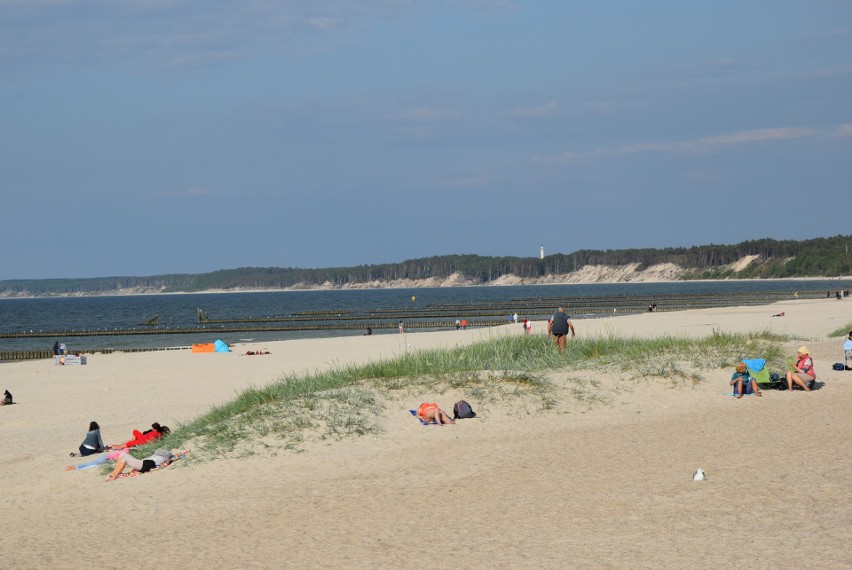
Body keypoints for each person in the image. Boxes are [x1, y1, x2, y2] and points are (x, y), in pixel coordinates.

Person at [105, 448, 175, 482]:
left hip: (146, 465)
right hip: (144, 462)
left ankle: (114, 476)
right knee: (122, 454)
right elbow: (157, 452)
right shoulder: (157, 455)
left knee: (124, 459)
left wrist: (156, 468)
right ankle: (113, 474)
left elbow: (167, 462)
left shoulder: (164, 457)